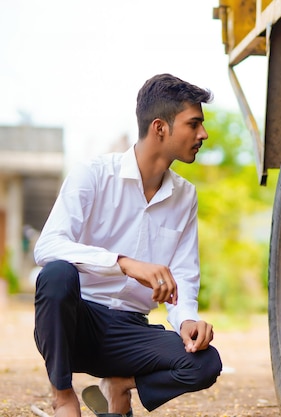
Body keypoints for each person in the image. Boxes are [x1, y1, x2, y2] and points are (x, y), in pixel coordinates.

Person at [33, 74, 222, 417]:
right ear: (160, 127)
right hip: (76, 325)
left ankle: (119, 385)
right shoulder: (92, 175)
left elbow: (184, 273)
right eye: (194, 124)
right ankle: (62, 396)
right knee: (56, 274)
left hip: (131, 331)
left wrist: (187, 322)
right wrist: (123, 263)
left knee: (206, 362)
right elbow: (47, 246)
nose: (203, 134)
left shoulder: (185, 196)